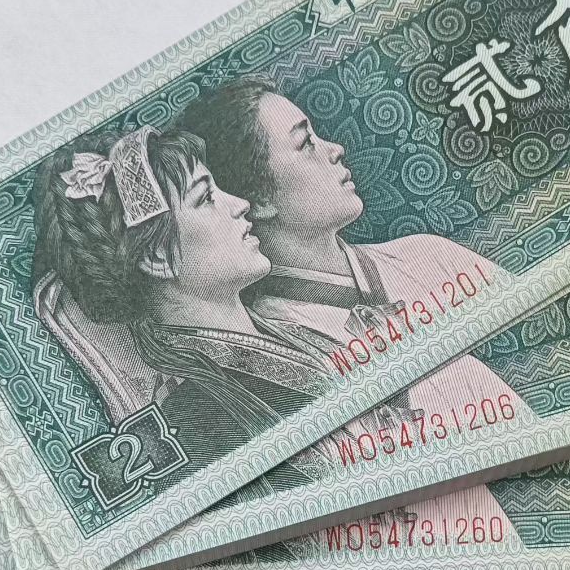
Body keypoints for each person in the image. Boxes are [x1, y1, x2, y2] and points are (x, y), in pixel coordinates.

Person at [177, 77, 534, 472]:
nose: (335, 150)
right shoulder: (281, 358)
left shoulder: (428, 255)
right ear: (258, 200)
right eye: (306, 143)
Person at [31, 124, 336, 483]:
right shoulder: (196, 419)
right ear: (158, 256)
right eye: (206, 197)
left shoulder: (290, 325)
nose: (240, 204)